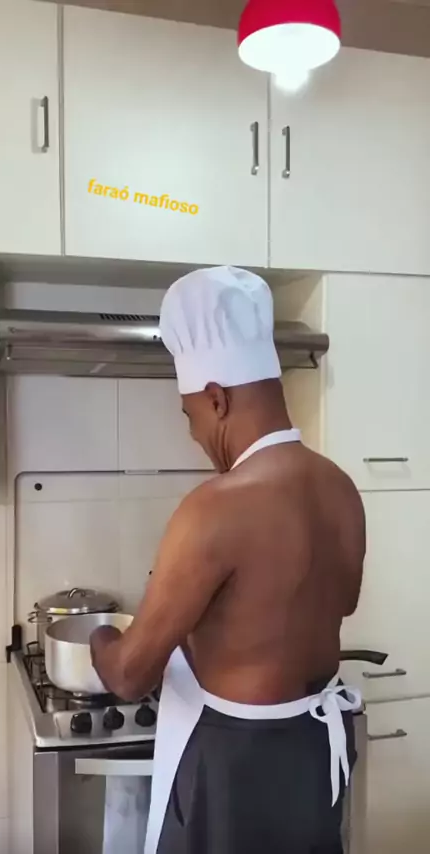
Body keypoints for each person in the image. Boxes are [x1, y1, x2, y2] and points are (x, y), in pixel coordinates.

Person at [91, 265, 366, 854]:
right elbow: (336, 602)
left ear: (216, 399)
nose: (194, 433)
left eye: (189, 413)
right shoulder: (340, 487)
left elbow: (131, 675)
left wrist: (101, 637)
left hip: (236, 767)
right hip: (315, 753)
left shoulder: (215, 507)